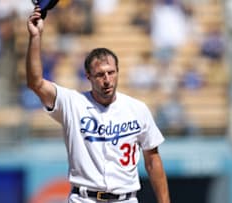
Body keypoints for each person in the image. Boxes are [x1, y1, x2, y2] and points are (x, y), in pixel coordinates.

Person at [26, 6, 170, 203]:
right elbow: (36, 83)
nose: (107, 79)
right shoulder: (73, 103)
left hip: (125, 198)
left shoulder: (137, 109)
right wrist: (35, 37)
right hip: (85, 198)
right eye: (100, 74)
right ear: (88, 77)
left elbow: (153, 160)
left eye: (111, 72)